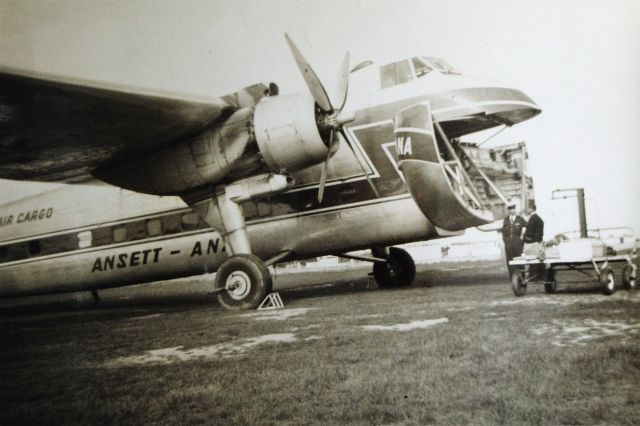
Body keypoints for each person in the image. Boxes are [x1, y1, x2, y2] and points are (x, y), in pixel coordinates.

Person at [502, 203, 526, 276]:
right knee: (510, 261)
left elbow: (525, 229)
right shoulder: (505, 220)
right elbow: (503, 233)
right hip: (508, 244)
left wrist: (522, 241)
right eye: (511, 209)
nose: (513, 211)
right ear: (509, 210)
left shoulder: (520, 219)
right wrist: (506, 242)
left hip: (517, 243)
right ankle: (513, 277)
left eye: (514, 209)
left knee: (519, 260)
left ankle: (521, 277)